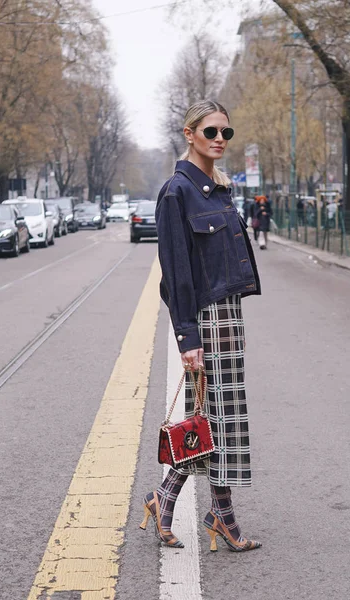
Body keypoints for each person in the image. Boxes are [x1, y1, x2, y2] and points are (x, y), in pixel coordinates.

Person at [140, 100, 262, 553]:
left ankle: (168, 499)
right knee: (218, 416)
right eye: (210, 131)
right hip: (208, 318)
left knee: (219, 416)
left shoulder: (217, 189)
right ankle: (218, 515)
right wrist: (187, 338)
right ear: (189, 133)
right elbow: (176, 272)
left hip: (229, 314)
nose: (219, 140)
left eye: (226, 133)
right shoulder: (177, 192)